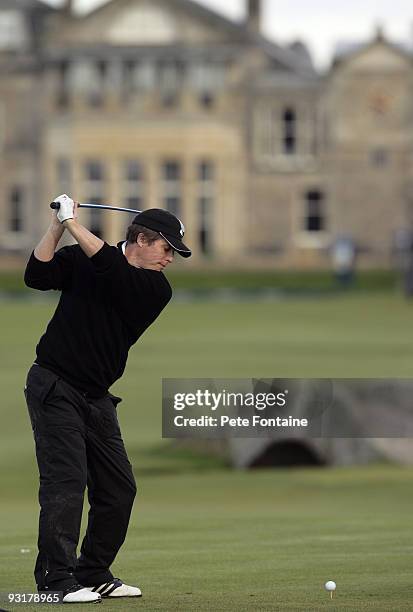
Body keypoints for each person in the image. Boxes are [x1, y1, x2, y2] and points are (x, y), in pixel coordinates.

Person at [24, 194, 191, 604]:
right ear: (142, 238)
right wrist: (59, 225)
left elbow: (112, 270)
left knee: (119, 489)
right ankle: (55, 580)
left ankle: (94, 572)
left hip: (96, 396)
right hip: (54, 385)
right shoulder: (86, 260)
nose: (170, 259)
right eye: (166, 248)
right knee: (66, 482)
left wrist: (75, 225)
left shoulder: (154, 288)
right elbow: (37, 275)